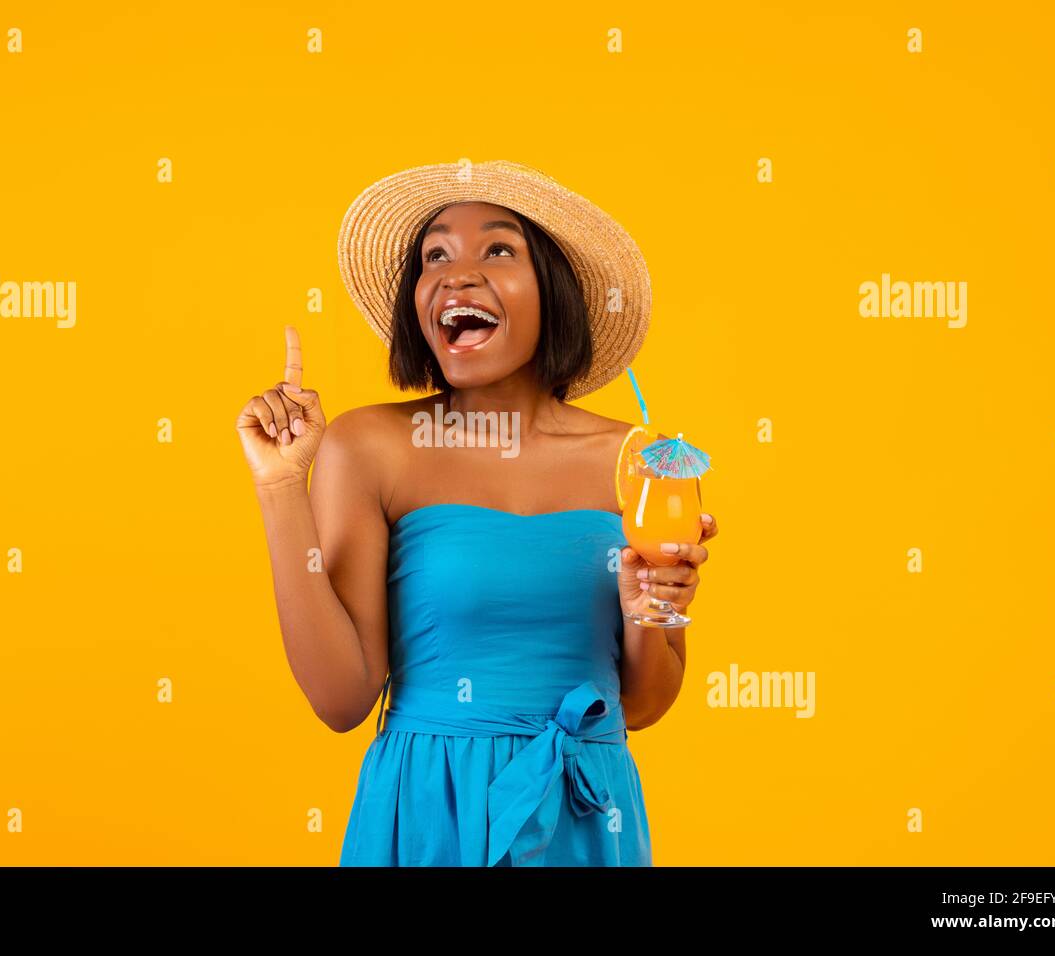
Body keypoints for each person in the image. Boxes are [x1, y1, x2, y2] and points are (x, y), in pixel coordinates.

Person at [236, 160, 718, 866]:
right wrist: (281, 488)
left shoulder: (639, 460)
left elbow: (642, 706)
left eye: (497, 249)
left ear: (551, 290)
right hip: (427, 812)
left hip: (584, 815)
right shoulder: (369, 447)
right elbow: (341, 700)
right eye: (435, 255)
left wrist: (652, 610)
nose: (456, 274)